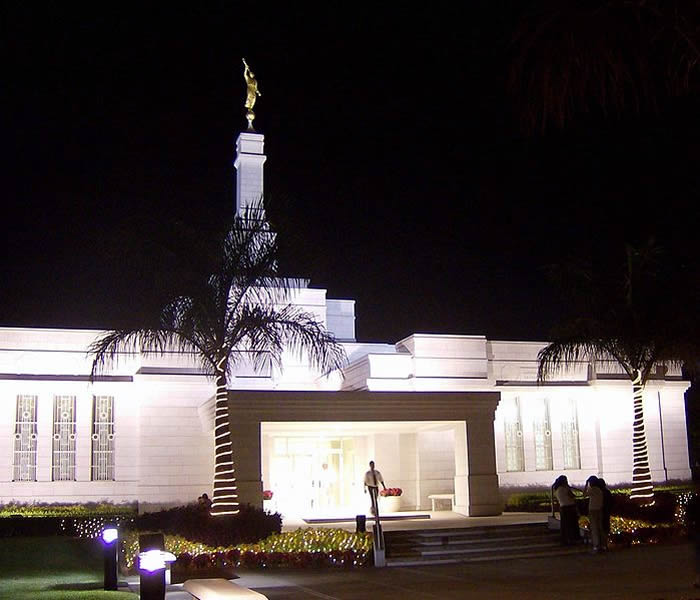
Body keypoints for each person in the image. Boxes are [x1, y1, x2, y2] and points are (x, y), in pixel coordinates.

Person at [553, 475, 580, 545]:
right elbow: (572, 496)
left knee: (565, 525)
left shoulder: (557, 489)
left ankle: (565, 539)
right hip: (570, 507)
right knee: (572, 524)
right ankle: (573, 539)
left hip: (562, 507)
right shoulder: (565, 488)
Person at [585, 476, 605, 552]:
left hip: (593, 510)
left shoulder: (592, 490)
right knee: (600, 527)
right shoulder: (599, 490)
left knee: (594, 528)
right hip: (599, 509)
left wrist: (586, 484)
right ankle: (603, 544)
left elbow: (584, 494)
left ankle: (596, 545)